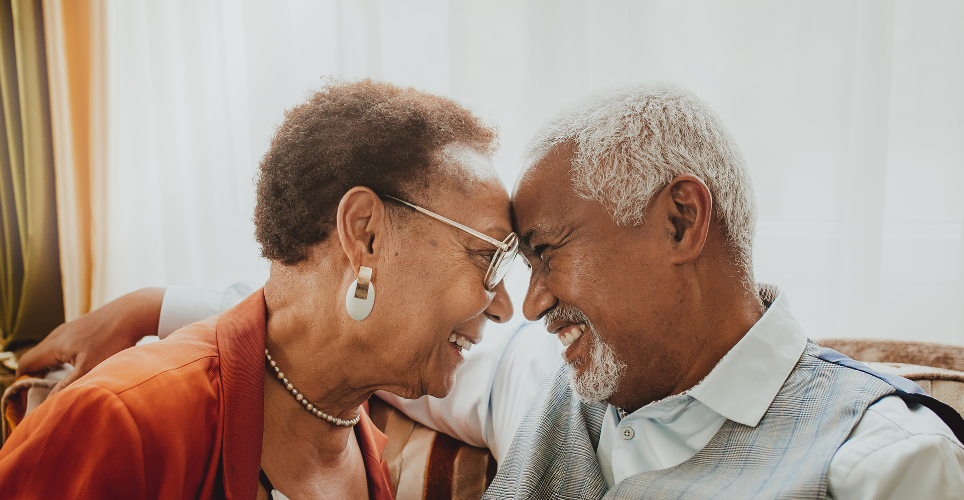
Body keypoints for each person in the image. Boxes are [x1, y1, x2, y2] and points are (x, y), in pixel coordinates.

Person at [17, 84, 964, 499]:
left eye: (544, 253)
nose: (527, 303)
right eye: (500, 259)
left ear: (682, 223)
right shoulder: (554, 380)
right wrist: (149, 307)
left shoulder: (882, 457)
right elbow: (320, 322)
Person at [0, 79, 518, 499]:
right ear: (366, 234)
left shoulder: (362, 446)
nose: (504, 306)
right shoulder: (122, 422)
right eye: (489, 256)